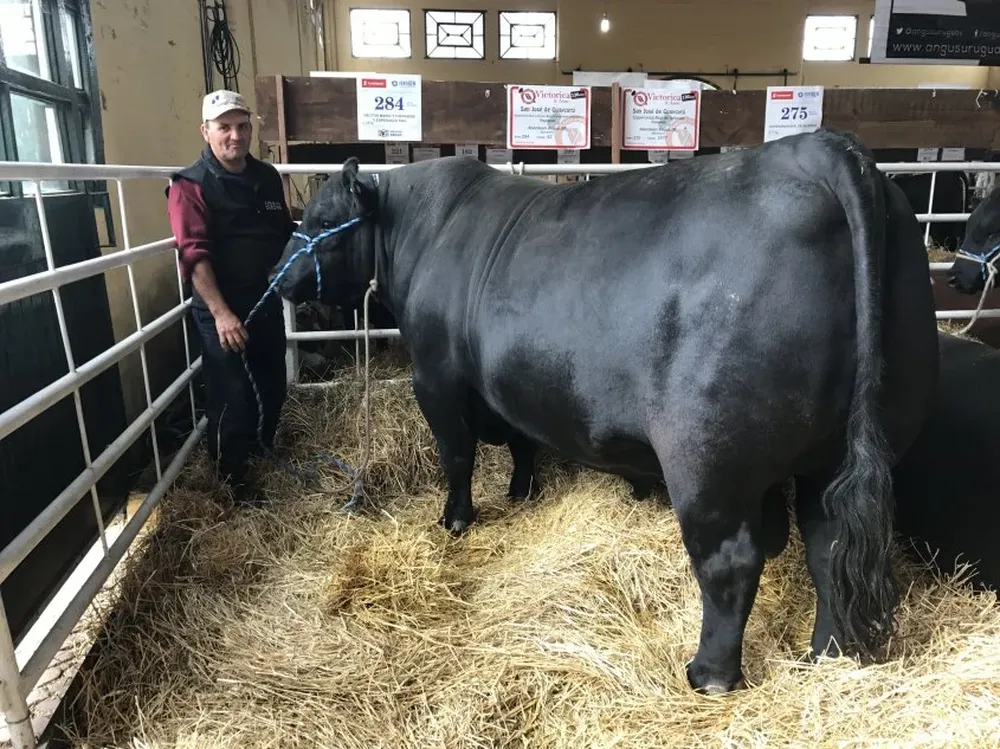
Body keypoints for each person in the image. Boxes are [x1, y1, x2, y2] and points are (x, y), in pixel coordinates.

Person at [166, 89, 296, 505]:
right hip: (221, 306)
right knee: (231, 394)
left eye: (242, 127)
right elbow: (193, 254)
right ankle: (232, 482)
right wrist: (221, 314)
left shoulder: (267, 177)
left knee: (272, 382)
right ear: (206, 131)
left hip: (265, 298)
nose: (235, 136)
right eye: (224, 128)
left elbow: (282, 234)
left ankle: (261, 454)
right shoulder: (190, 185)